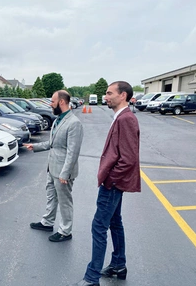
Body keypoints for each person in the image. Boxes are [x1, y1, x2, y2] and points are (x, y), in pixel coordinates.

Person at [68, 81, 141, 286]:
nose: (106, 97)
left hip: (113, 184)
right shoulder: (121, 116)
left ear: (123, 95)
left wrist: (111, 181)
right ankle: (118, 264)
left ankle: (92, 277)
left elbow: (128, 159)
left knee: (98, 226)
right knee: (115, 222)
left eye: (109, 93)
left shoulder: (126, 119)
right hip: (114, 183)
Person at [24, 90, 83, 242]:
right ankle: (47, 222)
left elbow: (73, 152)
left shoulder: (74, 123)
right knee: (51, 196)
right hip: (52, 168)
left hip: (63, 172)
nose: (50, 104)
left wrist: (65, 173)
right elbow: (52, 144)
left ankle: (65, 231)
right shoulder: (58, 120)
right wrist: (35, 146)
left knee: (64, 201)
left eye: (52, 101)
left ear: (61, 102)